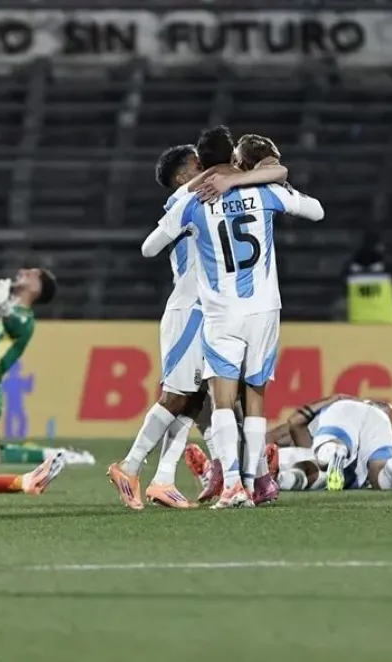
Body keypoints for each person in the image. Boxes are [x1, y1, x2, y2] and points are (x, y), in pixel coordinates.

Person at [108, 128, 289, 510]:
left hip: (211, 311)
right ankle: (132, 465)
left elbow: (276, 173)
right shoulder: (186, 198)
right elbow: (149, 247)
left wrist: (236, 176)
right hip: (189, 311)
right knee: (179, 396)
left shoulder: (215, 194)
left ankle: (170, 478)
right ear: (181, 177)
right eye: (197, 166)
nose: (207, 170)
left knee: (197, 400)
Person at [141, 132, 323, 509]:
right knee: (254, 398)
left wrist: (188, 207)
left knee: (222, 402)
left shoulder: (193, 202)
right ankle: (259, 482)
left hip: (221, 312)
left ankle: (232, 487)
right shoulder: (266, 193)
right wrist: (254, 177)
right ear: (237, 161)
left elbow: (150, 248)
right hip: (265, 309)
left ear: (202, 164)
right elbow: (316, 210)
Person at [0, 268, 92, 465]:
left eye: (34, 274)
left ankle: (54, 456)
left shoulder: (25, 319)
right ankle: (51, 455)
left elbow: (13, 324)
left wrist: (5, 306)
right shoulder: (6, 319)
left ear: (38, 291)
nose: (24, 271)